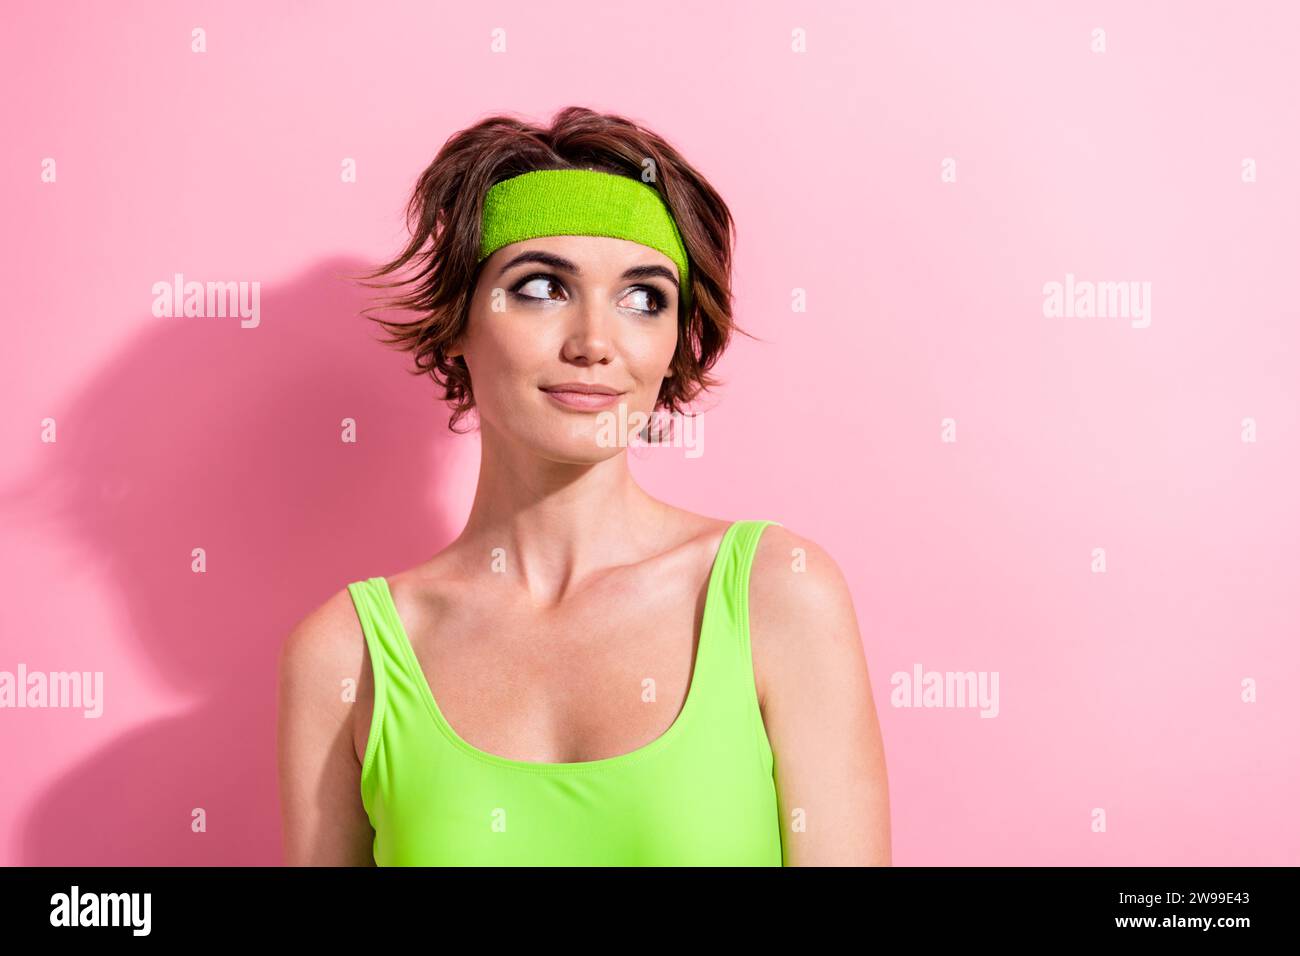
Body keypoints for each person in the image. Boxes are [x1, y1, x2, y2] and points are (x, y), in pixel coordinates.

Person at [277, 106, 890, 866]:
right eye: (540, 287)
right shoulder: (345, 655)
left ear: (672, 344)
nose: (596, 344)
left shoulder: (778, 593)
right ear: (458, 321)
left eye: (643, 299)